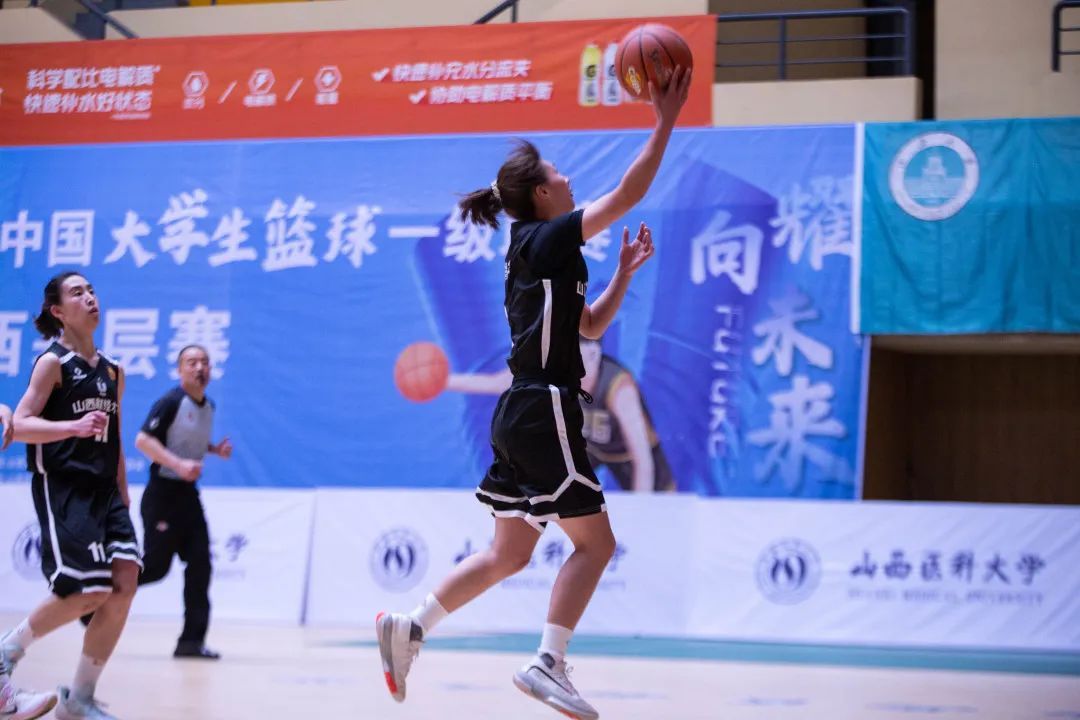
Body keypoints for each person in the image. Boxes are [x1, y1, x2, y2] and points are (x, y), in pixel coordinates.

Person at [376, 66, 691, 719]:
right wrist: (664, 122)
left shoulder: (542, 253)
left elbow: (590, 327)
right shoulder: (545, 238)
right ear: (543, 194)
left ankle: (411, 625)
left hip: (521, 410)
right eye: (558, 173)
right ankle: (548, 661)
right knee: (595, 545)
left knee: (508, 552)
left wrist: (624, 275)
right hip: (545, 408)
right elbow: (629, 193)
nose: (569, 178)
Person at [1, 271, 141, 720]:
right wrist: (72, 427)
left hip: (106, 492)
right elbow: (19, 426)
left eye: (92, 290)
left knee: (124, 583)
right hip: (65, 487)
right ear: (58, 312)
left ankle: (79, 699)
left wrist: (123, 492)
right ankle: (5, 654)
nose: (90, 297)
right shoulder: (52, 363)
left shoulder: (113, 370)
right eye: (77, 292)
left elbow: (115, 439)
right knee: (87, 591)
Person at [443, 335, 675, 492]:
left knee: (661, 510)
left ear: (594, 354)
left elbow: (642, 459)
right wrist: (443, 381)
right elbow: (495, 383)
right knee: (543, 479)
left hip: (627, 455)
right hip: (586, 448)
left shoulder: (619, 388)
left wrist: (641, 512)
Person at [133, 344, 231, 660]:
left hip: (188, 496)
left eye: (205, 362)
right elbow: (143, 440)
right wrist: (178, 465)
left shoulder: (209, 406)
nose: (200, 368)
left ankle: (190, 642)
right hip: (162, 495)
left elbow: (188, 441)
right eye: (192, 362)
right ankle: (96, 596)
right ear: (179, 370)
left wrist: (214, 450)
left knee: (201, 564)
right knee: (156, 568)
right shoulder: (170, 402)